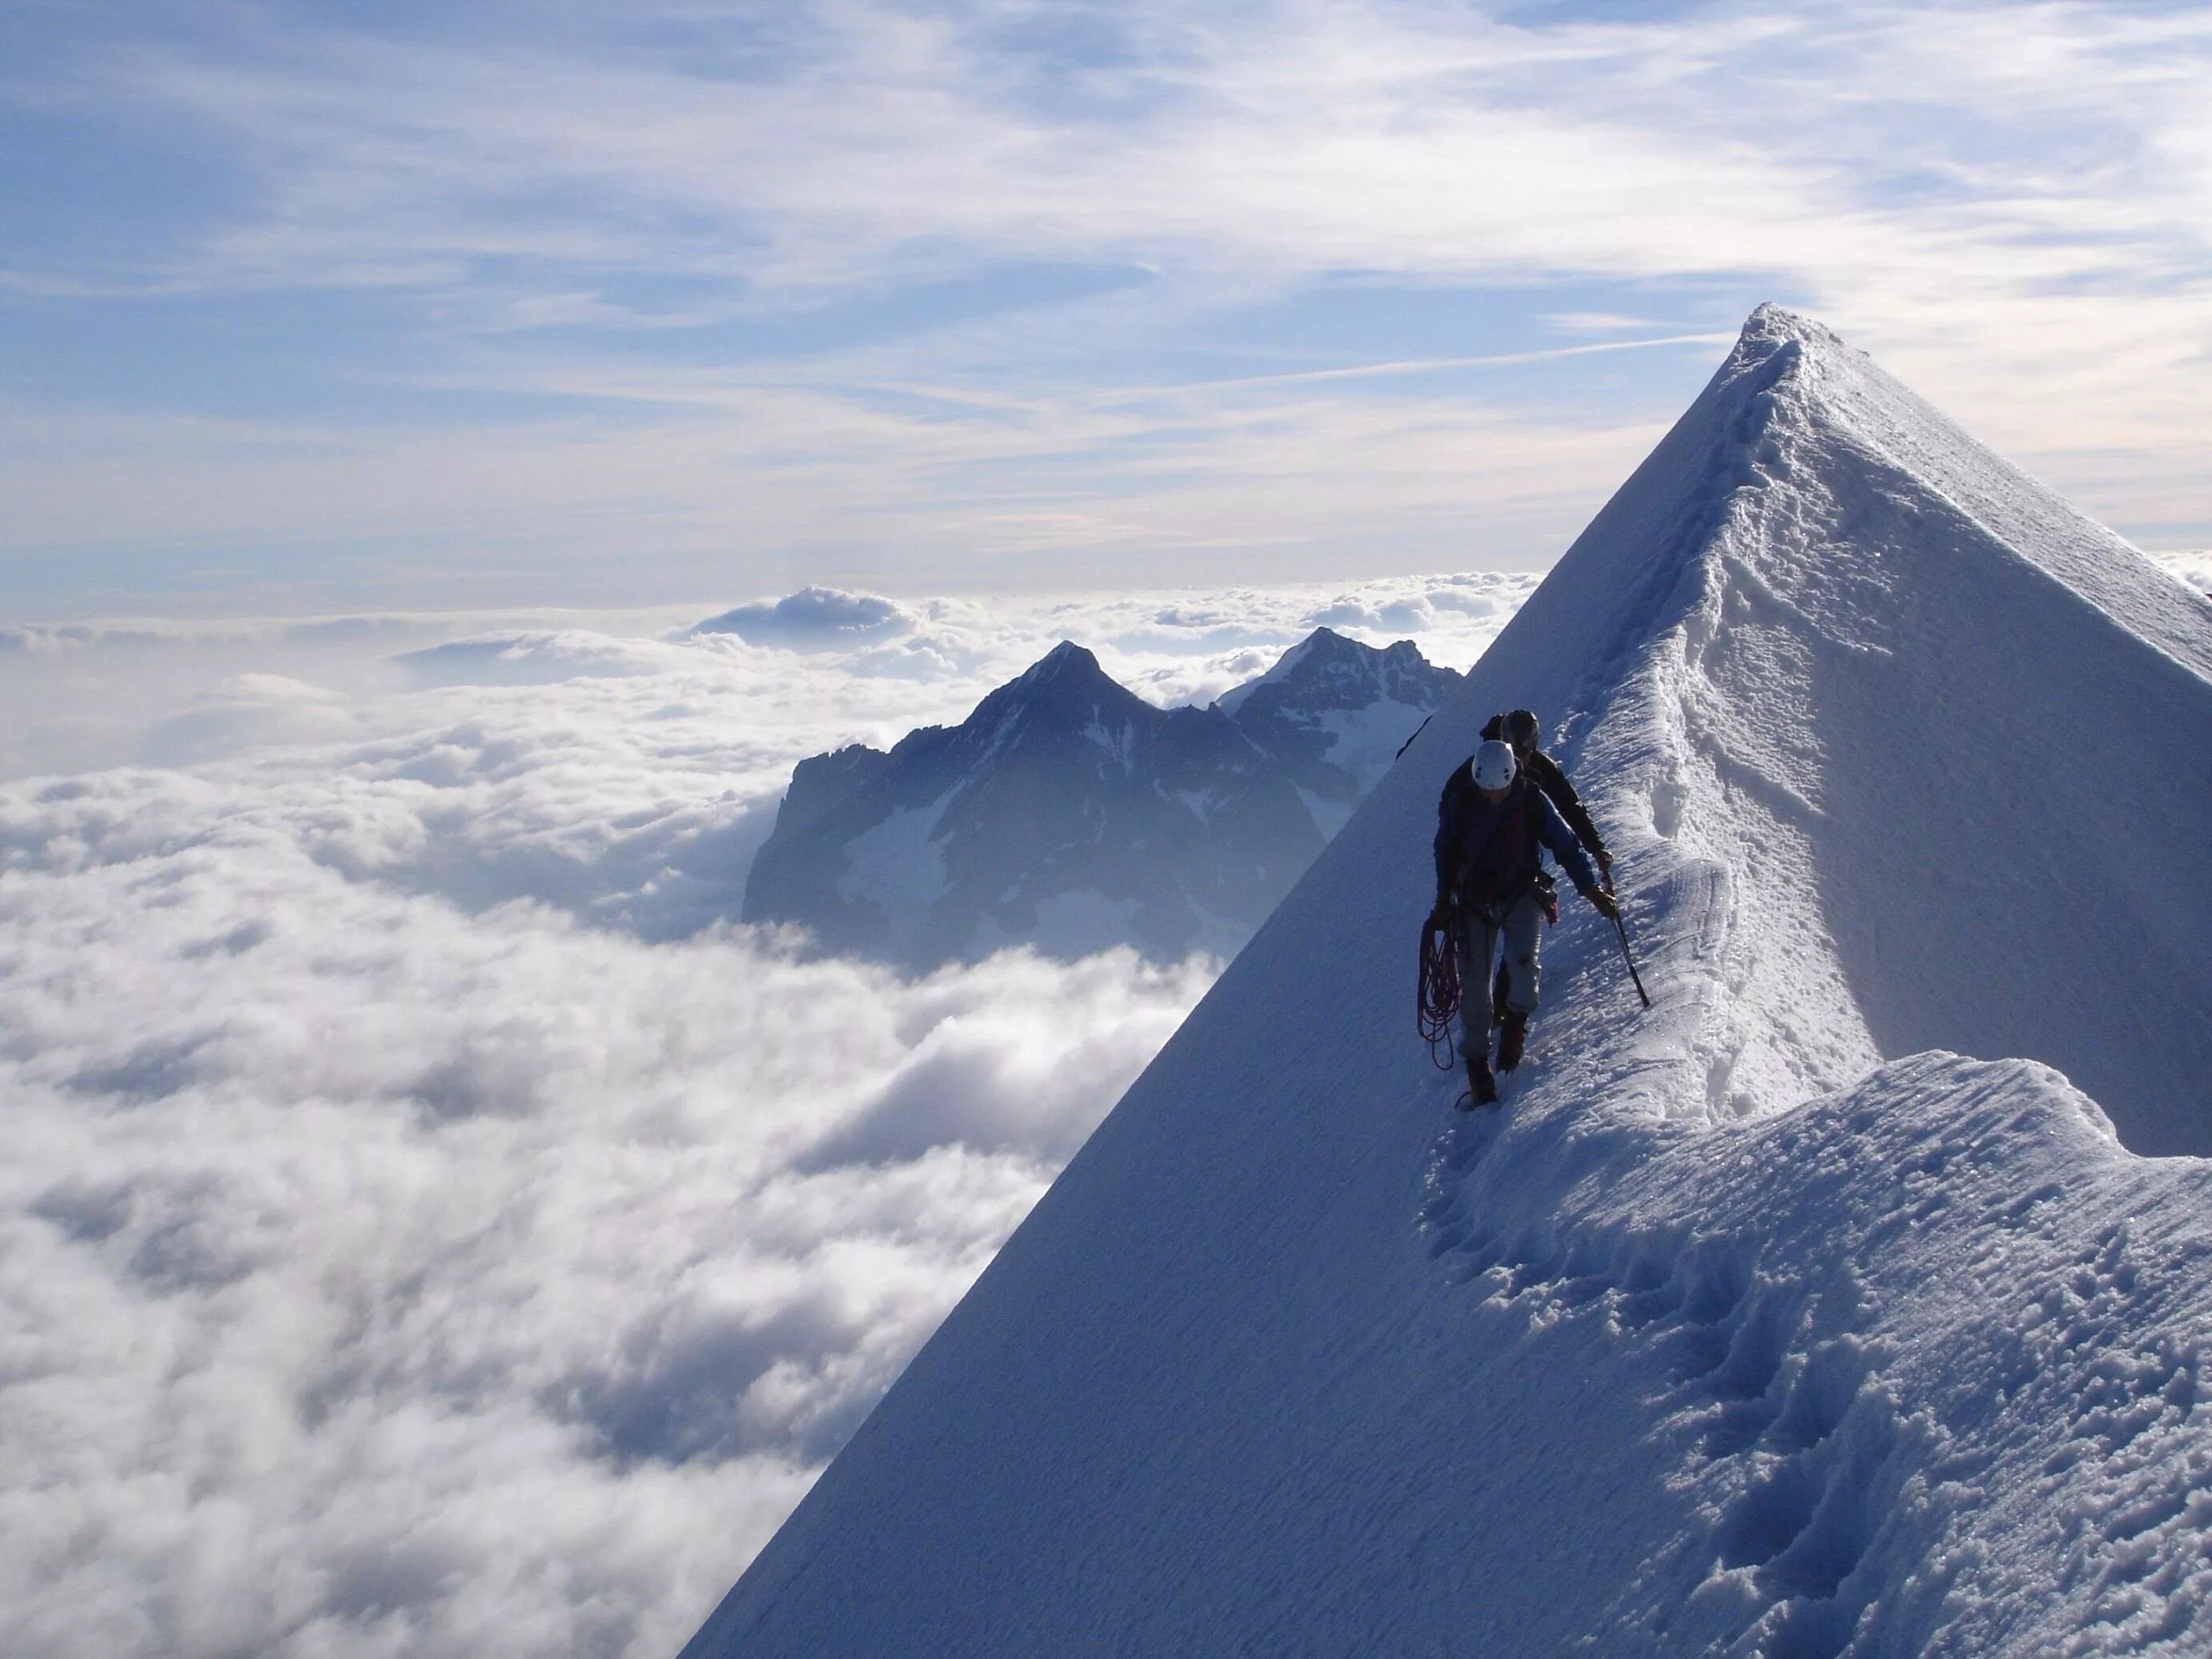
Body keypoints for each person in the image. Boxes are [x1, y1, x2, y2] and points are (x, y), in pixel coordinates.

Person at [1432, 738, 1617, 1106]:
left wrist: (1591, 890)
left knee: (1523, 963)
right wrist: (1443, 900)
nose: (1494, 797)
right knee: (1474, 982)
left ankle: (1515, 1027)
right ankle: (1478, 1062)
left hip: (1520, 893)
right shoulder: (1464, 802)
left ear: (1510, 777)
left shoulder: (1532, 800)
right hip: (1474, 900)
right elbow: (1445, 850)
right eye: (1488, 790)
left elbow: (1566, 845)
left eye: (1499, 790)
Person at [1479, 708, 1613, 892]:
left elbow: (1570, 806)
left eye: (1522, 755)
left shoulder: (1540, 770)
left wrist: (1596, 848)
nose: (1518, 763)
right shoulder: (1486, 765)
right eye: (1515, 755)